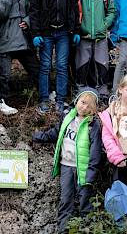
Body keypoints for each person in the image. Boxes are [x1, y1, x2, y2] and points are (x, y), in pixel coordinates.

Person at [32, 90, 104, 232]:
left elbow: (96, 151)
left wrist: (91, 173)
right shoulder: (67, 117)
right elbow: (55, 133)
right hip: (66, 166)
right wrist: (39, 136)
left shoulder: (93, 125)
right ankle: (63, 229)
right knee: (66, 199)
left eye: (89, 106)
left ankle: (86, 228)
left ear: (94, 109)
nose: (84, 108)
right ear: (76, 101)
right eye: (82, 103)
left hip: (83, 169)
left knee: (84, 200)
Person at [30, 0, 80, 114]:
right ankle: (44, 99)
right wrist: (35, 33)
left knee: (61, 65)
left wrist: (76, 30)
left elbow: (74, 9)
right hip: (45, 33)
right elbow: (34, 11)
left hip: (64, 33)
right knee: (45, 66)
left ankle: (60, 100)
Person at [75, 0, 116, 97]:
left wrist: (104, 25)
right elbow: (74, 10)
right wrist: (79, 27)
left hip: (101, 36)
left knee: (102, 63)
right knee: (82, 63)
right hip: (83, 35)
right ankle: (81, 88)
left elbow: (112, 10)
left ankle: (102, 91)